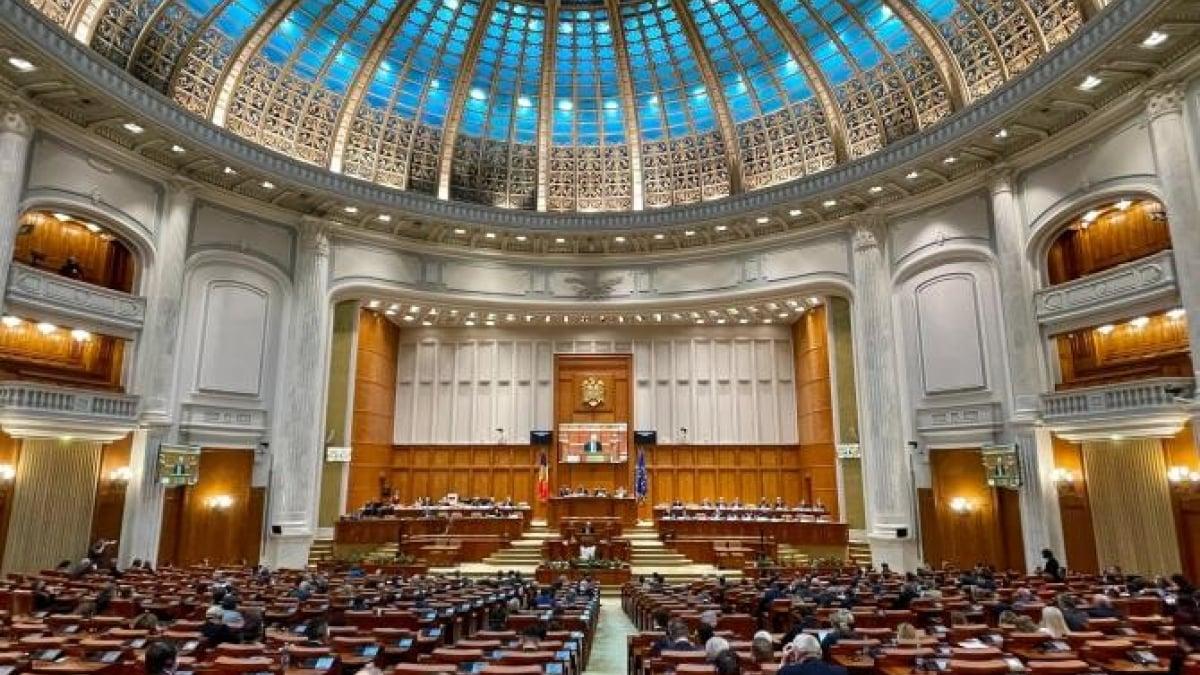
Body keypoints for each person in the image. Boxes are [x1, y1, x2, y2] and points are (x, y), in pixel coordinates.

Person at [781, 634, 848, 675]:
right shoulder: (840, 671)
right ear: (820, 651)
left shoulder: (787, 671)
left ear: (797, 652)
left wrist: (784, 662)